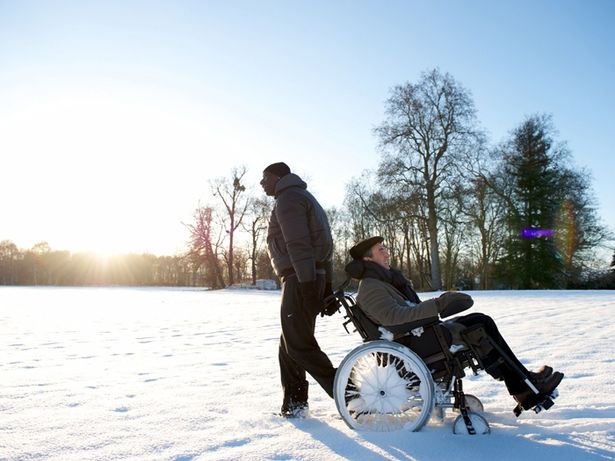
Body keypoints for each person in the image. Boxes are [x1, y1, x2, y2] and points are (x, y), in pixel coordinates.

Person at [344, 236, 564, 413]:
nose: (387, 252)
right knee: (478, 327)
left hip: (420, 336)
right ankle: (524, 387)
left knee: (481, 321)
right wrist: (438, 305)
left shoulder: (384, 282)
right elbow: (393, 318)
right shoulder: (371, 286)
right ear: (368, 260)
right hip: (414, 344)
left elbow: (405, 312)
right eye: (381, 250)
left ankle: (524, 385)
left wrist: (439, 306)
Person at [260, 162, 337, 418]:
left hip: (299, 279)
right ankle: (294, 405)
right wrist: (325, 285)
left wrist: (306, 286)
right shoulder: (303, 196)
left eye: (266, 178)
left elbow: (299, 245)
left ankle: (350, 394)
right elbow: (325, 247)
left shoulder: (288, 199)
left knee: (299, 345)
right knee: (288, 343)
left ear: (279, 177)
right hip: (307, 277)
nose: (262, 184)